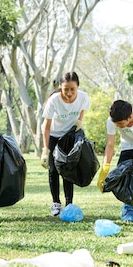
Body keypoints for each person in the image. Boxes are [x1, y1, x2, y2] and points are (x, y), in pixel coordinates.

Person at [41, 72, 91, 217]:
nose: (69, 93)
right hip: (54, 135)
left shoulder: (83, 97)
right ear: (60, 88)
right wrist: (45, 149)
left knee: (68, 169)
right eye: (65, 89)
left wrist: (79, 121)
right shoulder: (54, 100)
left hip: (69, 136)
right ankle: (56, 203)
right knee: (53, 170)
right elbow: (46, 126)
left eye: (72, 89)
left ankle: (69, 204)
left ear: (78, 87)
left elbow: (82, 110)